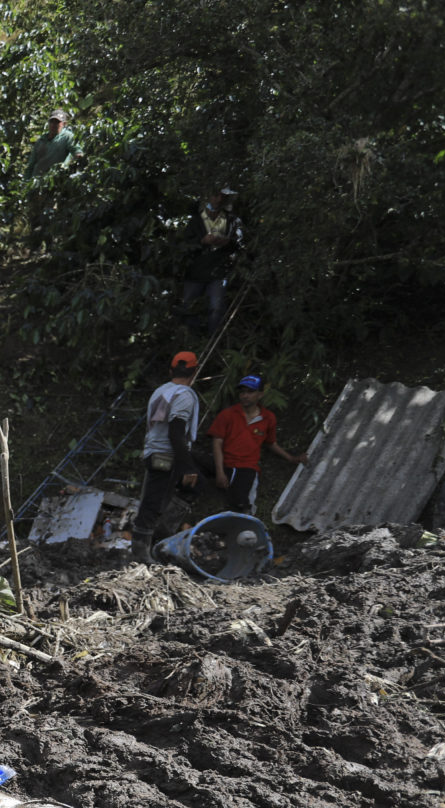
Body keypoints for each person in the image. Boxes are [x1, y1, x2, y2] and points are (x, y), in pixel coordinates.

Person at [133, 351, 203, 563]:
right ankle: (143, 549)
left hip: (154, 451)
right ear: (195, 371)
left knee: (163, 495)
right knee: (155, 500)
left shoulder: (161, 391)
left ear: (171, 371)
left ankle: (157, 538)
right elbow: (176, 431)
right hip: (167, 454)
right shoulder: (184, 395)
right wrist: (186, 467)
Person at [207, 375, 306, 514]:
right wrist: (219, 472)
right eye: (242, 392)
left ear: (260, 395)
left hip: (246, 466)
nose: (245, 396)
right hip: (225, 462)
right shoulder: (228, 414)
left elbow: (271, 443)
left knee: (242, 503)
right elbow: (217, 442)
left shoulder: (268, 418)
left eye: (250, 392)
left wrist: (290, 458)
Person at [183, 187, 242, 334]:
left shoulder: (232, 220)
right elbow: (184, 245)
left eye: (222, 197)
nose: (219, 200)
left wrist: (226, 242)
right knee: (188, 306)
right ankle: (193, 339)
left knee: (216, 307)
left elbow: (240, 242)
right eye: (215, 196)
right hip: (196, 270)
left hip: (219, 270)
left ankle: (212, 339)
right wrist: (202, 241)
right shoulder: (196, 221)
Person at [23, 110, 79, 179]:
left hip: (56, 180)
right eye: (51, 122)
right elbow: (31, 163)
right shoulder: (41, 140)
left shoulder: (68, 137)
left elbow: (77, 153)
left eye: (57, 122)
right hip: (37, 179)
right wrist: (25, 180)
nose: (53, 125)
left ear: (64, 124)